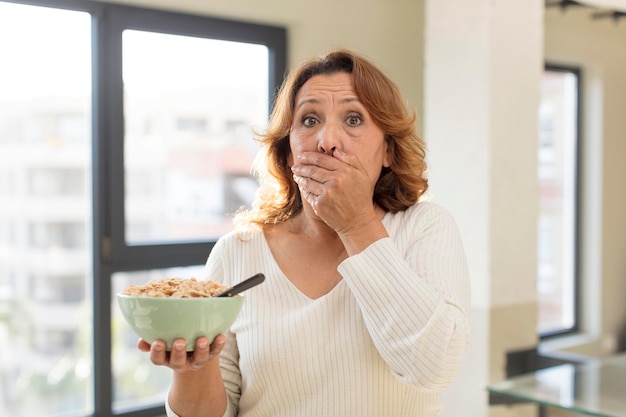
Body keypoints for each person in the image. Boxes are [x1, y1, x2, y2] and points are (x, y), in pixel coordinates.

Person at [139, 48, 471, 417]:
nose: (327, 141)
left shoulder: (425, 228)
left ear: (388, 151)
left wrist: (356, 223)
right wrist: (193, 370)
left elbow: (434, 368)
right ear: (287, 153)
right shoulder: (237, 252)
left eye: (354, 119)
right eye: (310, 120)